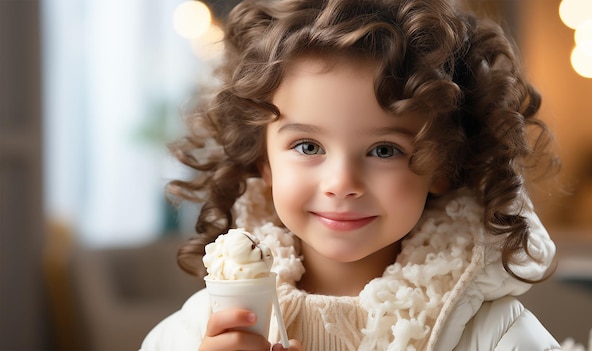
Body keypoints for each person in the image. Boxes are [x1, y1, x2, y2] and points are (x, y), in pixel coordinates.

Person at [141, 0, 563, 350]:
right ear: (264, 161)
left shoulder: (497, 335)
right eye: (308, 147)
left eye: (384, 150)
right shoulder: (200, 330)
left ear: (444, 165)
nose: (341, 183)